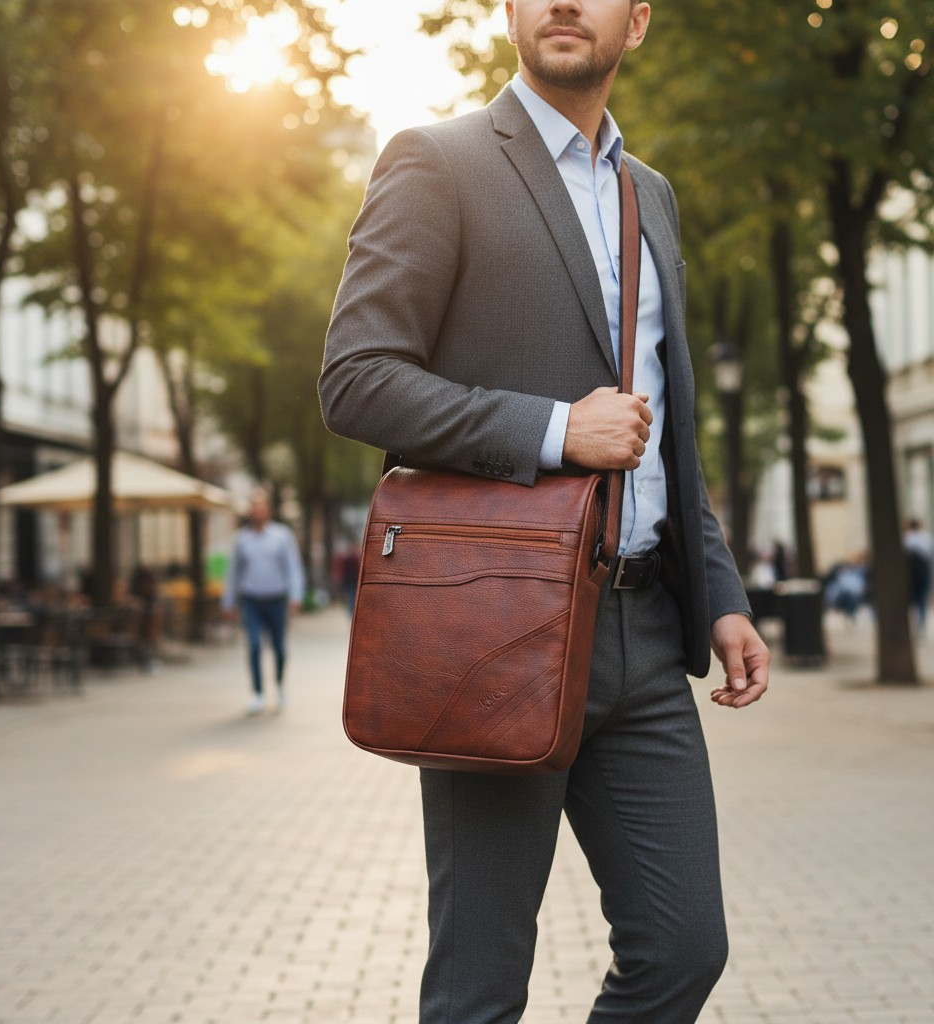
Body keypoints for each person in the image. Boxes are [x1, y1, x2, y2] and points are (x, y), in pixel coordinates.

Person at [319, 2, 770, 1021]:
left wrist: (722, 596)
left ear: (638, 22)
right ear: (513, 13)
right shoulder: (436, 163)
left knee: (681, 949)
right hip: (499, 629)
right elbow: (354, 380)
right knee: (479, 990)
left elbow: (672, 432)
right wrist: (554, 428)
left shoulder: (647, 195)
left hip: (648, 637)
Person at [222, 490, 305, 713]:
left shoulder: (282, 536)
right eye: (254, 509)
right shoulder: (241, 539)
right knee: (255, 646)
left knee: (279, 648)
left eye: (261, 509)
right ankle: (257, 693)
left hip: (276, 600)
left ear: (268, 511)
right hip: (252, 601)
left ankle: (279, 686)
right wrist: (228, 602)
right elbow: (234, 573)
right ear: (250, 513)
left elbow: (293, 568)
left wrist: (295, 596)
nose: (257, 513)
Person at [904, 518, 932, 632]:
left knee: (913, 600)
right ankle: (921, 625)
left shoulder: (907, 539)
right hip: (924, 571)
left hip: (911, 573)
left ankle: (915, 626)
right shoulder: (927, 538)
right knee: (922, 599)